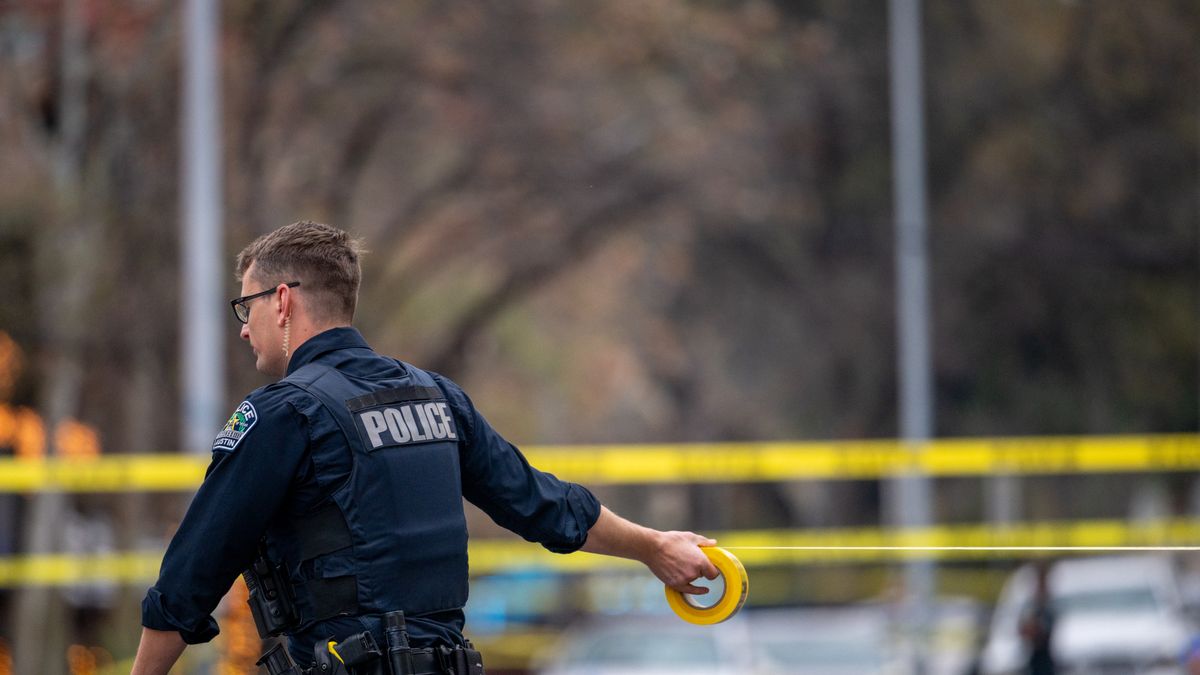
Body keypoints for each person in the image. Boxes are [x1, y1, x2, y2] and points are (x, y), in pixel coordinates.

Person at [130, 221, 719, 675]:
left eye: (247, 305)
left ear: (282, 302)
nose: (242, 326)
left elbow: (189, 580)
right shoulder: (436, 396)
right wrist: (653, 547)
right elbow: (540, 503)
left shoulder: (282, 413)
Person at [1019, 561, 1056, 675]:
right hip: (1035, 658)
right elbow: (1023, 630)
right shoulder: (1031, 606)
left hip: (1045, 658)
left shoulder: (1049, 606)